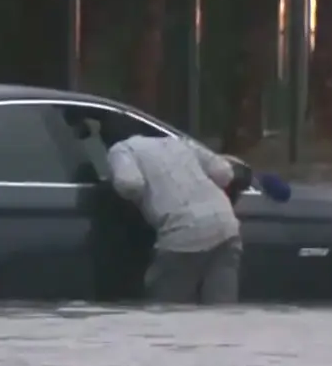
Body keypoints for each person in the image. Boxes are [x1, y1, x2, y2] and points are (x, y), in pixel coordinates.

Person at [100, 116, 242, 304]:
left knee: (167, 314)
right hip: (227, 226)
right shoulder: (179, 143)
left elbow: (130, 184)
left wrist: (115, 185)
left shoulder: (122, 149)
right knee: (221, 311)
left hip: (183, 233)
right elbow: (225, 173)